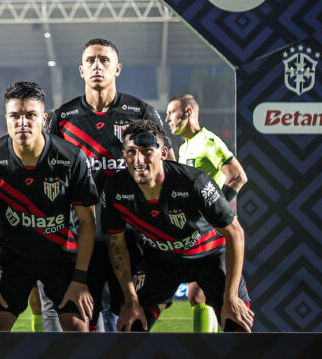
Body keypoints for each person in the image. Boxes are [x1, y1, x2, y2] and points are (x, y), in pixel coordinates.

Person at [48, 37, 168, 333]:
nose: (97, 66)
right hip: (81, 237)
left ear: (117, 69)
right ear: (80, 70)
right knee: (79, 326)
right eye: (90, 60)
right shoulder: (64, 118)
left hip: (131, 236)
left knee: (133, 323)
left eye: (104, 60)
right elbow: (50, 178)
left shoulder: (140, 113)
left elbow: (165, 170)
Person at [103, 120, 254, 332]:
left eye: (147, 151)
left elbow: (235, 233)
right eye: (131, 152)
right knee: (132, 327)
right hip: (161, 262)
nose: (138, 160)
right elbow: (116, 242)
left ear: (163, 153)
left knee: (238, 324)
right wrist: (130, 301)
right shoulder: (115, 190)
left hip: (209, 257)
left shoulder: (194, 182)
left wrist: (230, 299)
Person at [0, 81, 98, 332]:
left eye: (30, 115)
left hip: (61, 259)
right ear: (6, 118)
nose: (22, 122)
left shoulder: (71, 157)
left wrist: (80, 279)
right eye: (15, 115)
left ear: (44, 119)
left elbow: (87, 221)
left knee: (78, 330)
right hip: (12, 262)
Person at [166, 93, 249, 332]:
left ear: (188, 112)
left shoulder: (208, 141)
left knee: (205, 296)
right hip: (197, 233)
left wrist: (216, 210)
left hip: (213, 233)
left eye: (172, 112)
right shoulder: (184, 147)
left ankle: (216, 349)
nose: (167, 118)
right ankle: (209, 349)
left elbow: (238, 175)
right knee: (197, 296)